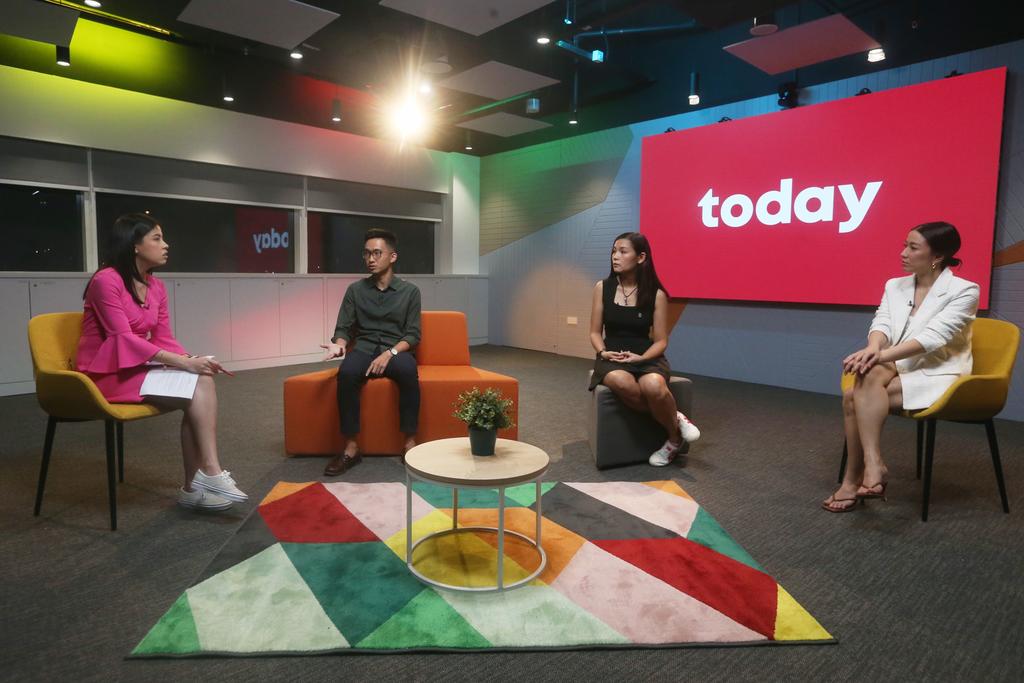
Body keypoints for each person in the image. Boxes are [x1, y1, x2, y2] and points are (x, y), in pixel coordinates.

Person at [77, 213, 247, 511]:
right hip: (106, 374)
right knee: (193, 385)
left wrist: (192, 360)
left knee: (201, 379)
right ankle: (207, 475)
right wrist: (182, 364)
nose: (166, 245)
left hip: (137, 367)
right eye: (157, 238)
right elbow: (123, 338)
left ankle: (198, 483)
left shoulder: (155, 286)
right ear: (134, 246)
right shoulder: (106, 281)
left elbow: (163, 337)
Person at [823, 222, 979, 512]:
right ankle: (873, 467)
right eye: (905, 244)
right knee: (867, 373)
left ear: (937, 257)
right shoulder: (895, 285)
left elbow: (933, 338)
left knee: (852, 397)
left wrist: (880, 357)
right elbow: (881, 322)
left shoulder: (965, 290)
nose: (903, 253)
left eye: (913, 247)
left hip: (937, 372)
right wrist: (873, 348)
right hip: (897, 365)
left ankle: (852, 480)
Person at [589, 231, 700, 466]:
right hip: (612, 355)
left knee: (653, 386)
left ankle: (672, 441)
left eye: (622, 251)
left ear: (640, 257)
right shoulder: (602, 287)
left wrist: (641, 358)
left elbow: (660, 341)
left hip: (646, 355)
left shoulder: (656, 294)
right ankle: (676, 420)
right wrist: (602, 352)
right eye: (613, 251)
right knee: (621, 382)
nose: (615, 257)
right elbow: (595, 332)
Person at [321, 228, 422, 476]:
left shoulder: (410, 292)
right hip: (364, 348)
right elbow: (344, 327)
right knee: (346, 374)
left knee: (409, 372)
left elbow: (413, 335)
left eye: (377, 253)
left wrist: (390, 354)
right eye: (367, 254)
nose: (371, 259)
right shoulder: (355, 290)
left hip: (395, 350)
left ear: (393, 257)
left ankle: (409, 443)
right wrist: (340, 344)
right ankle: (351, 448)